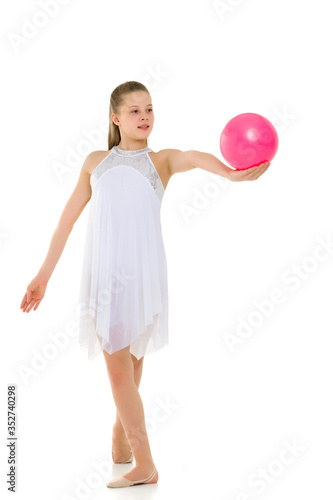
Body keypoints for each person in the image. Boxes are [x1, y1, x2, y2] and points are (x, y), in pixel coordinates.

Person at [20, 80, 270, 488]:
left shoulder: (161, 160)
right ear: (116, 118)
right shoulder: (95, 161)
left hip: (142, 276)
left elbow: (193, 155)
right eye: (135, 110)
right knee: (126, 374)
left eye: (149, 109)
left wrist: (229, 174)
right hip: (105, 277)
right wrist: (43, 275)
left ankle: (146, 464)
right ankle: (122, 440)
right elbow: (66, 220)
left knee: (126, 371)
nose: (145, 117)